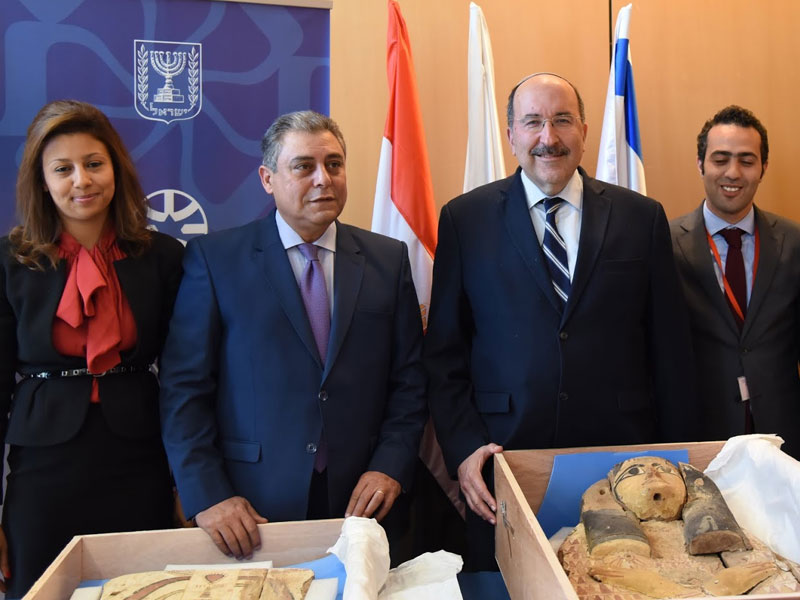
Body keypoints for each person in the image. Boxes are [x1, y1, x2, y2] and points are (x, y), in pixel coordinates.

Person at [424, 72, 696, 570]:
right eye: (532, 122)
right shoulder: (466, 219)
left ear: (585, 131)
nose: (548, 137)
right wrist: (464, 449)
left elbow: (671, 351)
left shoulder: (641, 217)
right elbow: (444, 355)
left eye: (562, 120)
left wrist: (674, 458)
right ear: (510, 135)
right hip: (503, 462)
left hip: (624, 463)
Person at [159, 110, 427, 560]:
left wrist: (390, 467)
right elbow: (184, 388)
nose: (323, 178)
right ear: (268, 178)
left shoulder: (388, 259)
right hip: (251, 507)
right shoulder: (216, 260)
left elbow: (409, 383)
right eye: (304, 166)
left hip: (365, 504)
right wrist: (207, 494)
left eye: (335, 164)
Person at [0, 100, 184, 598]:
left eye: (94, 164)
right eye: (63, 169)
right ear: (42, 181)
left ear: (116, 170)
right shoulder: (10, 262)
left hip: (140, 461)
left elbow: (188, 378)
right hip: (42, 470)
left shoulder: (162, 257)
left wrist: (190, 482)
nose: (81, 180)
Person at [670, 105, 800, 460]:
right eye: (720, 159)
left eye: (746, 160)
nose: (733, 172)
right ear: (700, 164)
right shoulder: (665, 244)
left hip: (783, 434)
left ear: (763, 168)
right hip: (699, 432)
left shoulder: (794, 240)